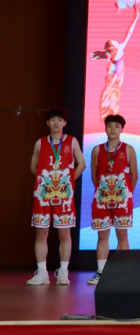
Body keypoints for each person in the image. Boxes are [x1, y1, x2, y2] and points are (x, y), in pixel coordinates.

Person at [27, 109, 86, 285]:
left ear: (64, 123)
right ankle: (42, 273)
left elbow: (82, 164)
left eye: (59, 120)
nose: (56, 123)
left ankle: (63, 272)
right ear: (48, 123)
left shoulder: (72, 141)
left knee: (64, 233)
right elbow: (33, 167)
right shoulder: (40, 143)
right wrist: (44, 182)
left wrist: (68, 181)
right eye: (53, 120)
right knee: (41, 232)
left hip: (64, 194)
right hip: (43, 194)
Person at [88, 114, 138, 285]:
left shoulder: (128, 149)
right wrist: (103, 191)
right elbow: (94, 176)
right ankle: (101, 272)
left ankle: (122, 271)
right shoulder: (97, 150)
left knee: (122, 234)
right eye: (110, 126)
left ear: (122, 129)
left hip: (122, 199)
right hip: (102, 198)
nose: (113, 129)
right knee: (102, 235)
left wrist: (126, 193)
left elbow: (134, 176)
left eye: (117, 126)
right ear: (105, 128)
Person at [90, 3, 140, 122]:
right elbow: (128, 35)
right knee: (108, 119)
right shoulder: (114, 55)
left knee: (112, 118)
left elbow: (129, 34)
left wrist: (136, 18)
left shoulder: (117, 53)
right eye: (114, 43)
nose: (118, 43)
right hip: (110, 91)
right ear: (111, 48)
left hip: (113, 91)